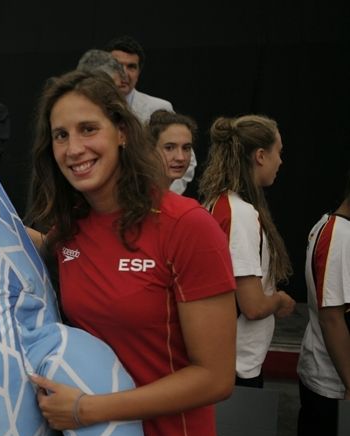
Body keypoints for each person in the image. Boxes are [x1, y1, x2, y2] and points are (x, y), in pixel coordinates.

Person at [24, 69, 236, 436]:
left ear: (122, 132)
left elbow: (215, 377)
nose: (74, 148)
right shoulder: (68, 234)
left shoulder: (186, 226)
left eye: (88, 129)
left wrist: (91, 409)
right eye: (60, 135)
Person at [271, 173, 350, 436]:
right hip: (331, 381)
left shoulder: (336, 230)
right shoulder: (337, 234)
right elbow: (332, 318)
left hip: (333, 377)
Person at [198, 115, 296, 388]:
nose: (281, 161)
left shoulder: (217, 203)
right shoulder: (239, 213)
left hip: (224, 361)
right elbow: (252, 306)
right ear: (261, 156)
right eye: (279, 152)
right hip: (236, 368)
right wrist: (280, 300)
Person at [104, 35, 195, 194]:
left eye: (132, 67)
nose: (125, 74)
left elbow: (186, 161)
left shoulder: (158, 107)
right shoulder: (89, 109)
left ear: (139, 71)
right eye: (117, 66)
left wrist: (162, 198)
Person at [147, 109, 197, 189]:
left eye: (186, 148)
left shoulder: (184, 201)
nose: (181, 157)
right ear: (149, 149)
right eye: (169, 148)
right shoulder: (128, 197)